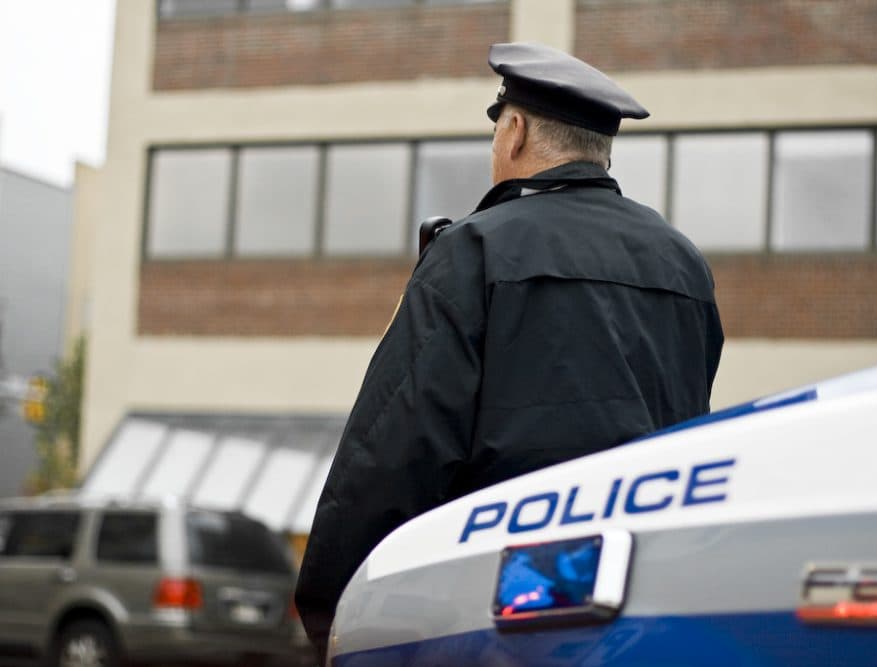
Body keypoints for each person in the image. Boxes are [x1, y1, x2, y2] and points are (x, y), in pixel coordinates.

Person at [295, 41, 724, 661]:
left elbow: (394, 450)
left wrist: (332, 612)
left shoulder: (475, 253)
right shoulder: (683, 264)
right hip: (644, 616)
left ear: (515, 132)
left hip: (499, 616)